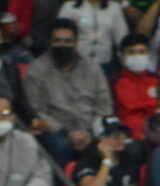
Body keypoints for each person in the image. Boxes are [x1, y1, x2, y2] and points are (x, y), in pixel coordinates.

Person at [26, 19, 116, 166]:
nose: (63, 45)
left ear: (75, 43)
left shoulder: (92, 68)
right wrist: (66, 133)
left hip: (90, 128)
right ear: (49, 42)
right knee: (60, 145)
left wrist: (90, 133)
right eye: (57, 41)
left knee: (119, 142)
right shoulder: (37, 70)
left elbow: (104, 105)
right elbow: (37, 111)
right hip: (57, 132)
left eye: (68, 41)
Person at [76, 116, 145, 186]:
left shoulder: (126, 163)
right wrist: (107, 161)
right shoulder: (87, 162)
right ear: (100, 139)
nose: (120, 138)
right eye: (114, 135)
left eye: (122, 134)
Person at [111, 33, 160, 138]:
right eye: (131, 52)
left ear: (149, 54)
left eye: (141, 52)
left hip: (157, 134)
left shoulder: (159, 82)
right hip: (127, 136)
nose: (137, 56)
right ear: (122, 56)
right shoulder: (113, 82)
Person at [58, 0, 131, 67]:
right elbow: (59, 33)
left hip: (105, 62)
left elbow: (122, 37)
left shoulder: (114, 7)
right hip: (76, 63)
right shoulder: (69, 7)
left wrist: (125, 60)